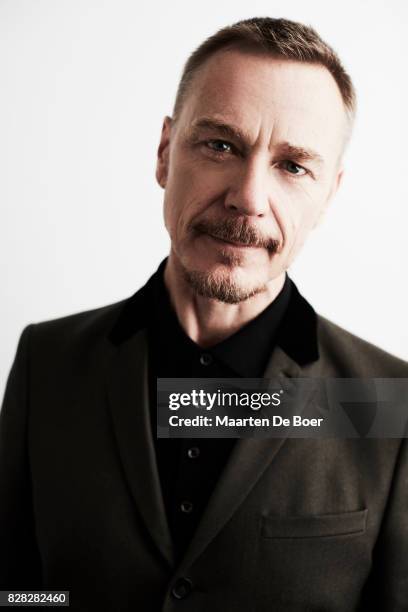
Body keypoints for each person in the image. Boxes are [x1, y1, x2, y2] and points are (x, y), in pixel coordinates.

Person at [1, 16, 407, 612]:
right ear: (165, 153)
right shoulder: (49, 363)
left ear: (328, 196)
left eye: (293, 166)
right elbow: (18, 590)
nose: (248, 196)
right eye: (220, 145)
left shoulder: (388, 402)